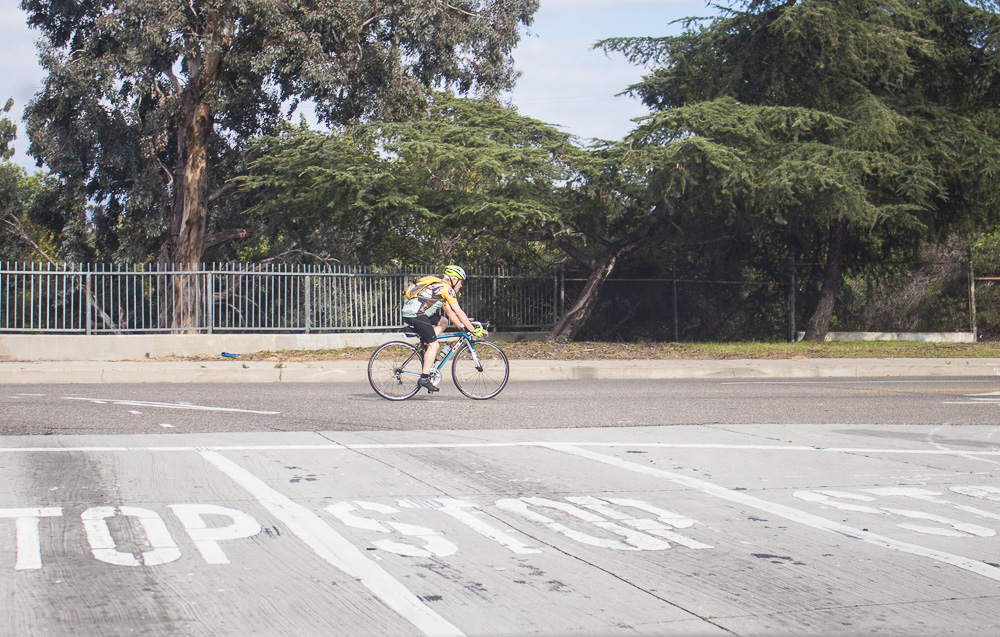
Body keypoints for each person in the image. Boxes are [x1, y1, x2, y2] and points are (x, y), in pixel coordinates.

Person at [401, 265, 487, 392]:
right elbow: (459, 312)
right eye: (460, 282)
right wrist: (473, 330)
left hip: (414, 313)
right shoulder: (447, 289)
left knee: (443, 321)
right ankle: (424, 378)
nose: (461, 285)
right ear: (453, 279)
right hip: (416, 315)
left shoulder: (439, 287)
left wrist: (462, 328)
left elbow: (451, 314)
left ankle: (427, 344)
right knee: (434, 345)